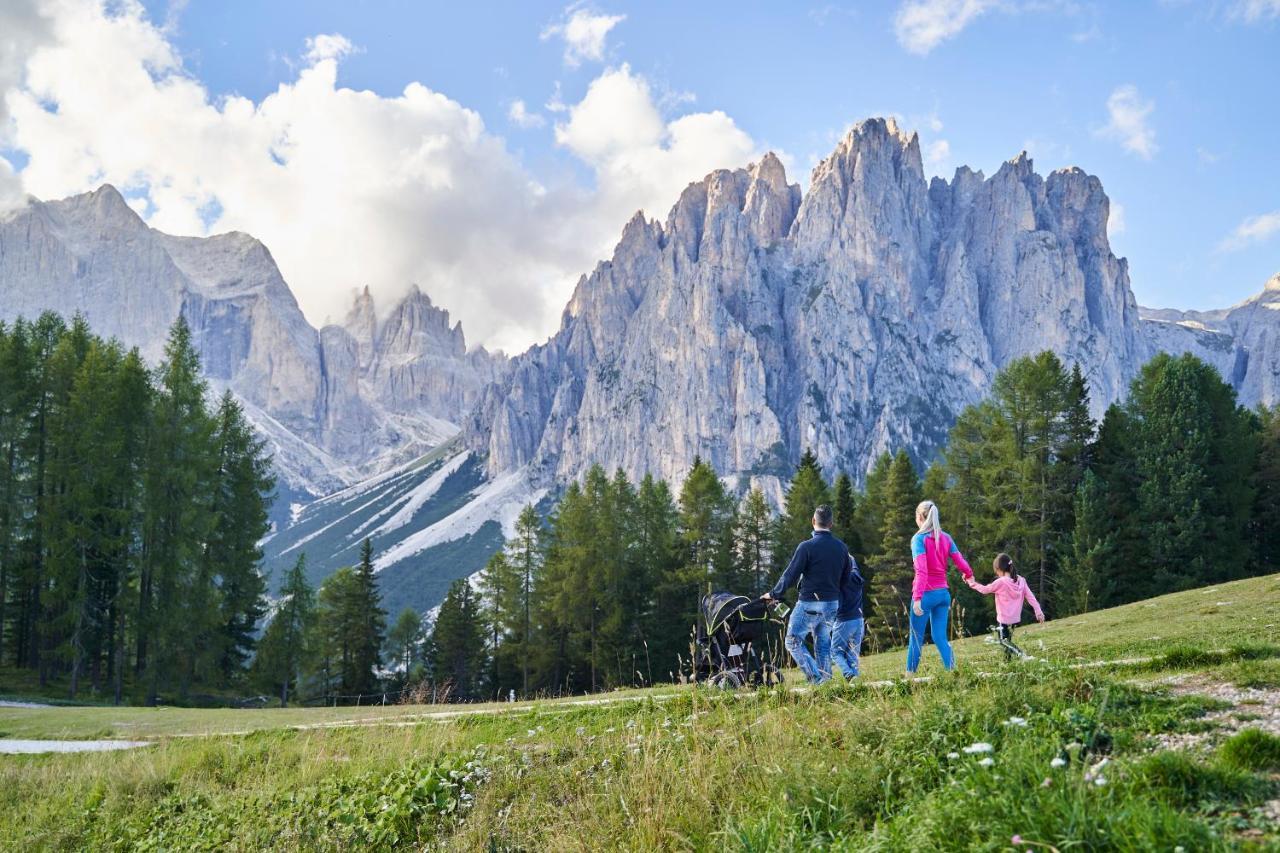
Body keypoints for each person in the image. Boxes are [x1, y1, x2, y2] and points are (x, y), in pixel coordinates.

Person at [762, 504, 849, 684]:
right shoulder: (842, 548)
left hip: (810, 602)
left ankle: (817, 679)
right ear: (831, 523)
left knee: (792, 641)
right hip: (832, 603)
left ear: (813, 521)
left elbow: (791, 574)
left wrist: (773, 594)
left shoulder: (806, 547)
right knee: (823, 642)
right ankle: (826, 682)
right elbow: (846, 578)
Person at [906, 499, 974, 674]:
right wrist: (968, 574)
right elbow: (960, 561)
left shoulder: (918, 539)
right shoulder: (946, 538)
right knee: (940, 637)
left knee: (916, 638)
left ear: (920, 517)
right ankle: (952, 671)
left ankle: (909, 677)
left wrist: (918, 598)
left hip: (926, 595)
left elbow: (922, 571)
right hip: (943, 595)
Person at [965, 553, 1044, 661]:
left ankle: (1021, 654)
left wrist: (971, 582)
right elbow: (1030, 597)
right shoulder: (1021, 580)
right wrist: (1038, 611)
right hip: (1015, 618)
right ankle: (1007, 661)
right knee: (1007, 640)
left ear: (999, 569)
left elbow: (984, 590)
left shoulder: (1001, 582)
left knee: (1003, 641)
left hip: (1004, 619)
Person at [832, 554, 865, 678]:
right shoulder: (856, 577)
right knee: (853, 653)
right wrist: (849, 557)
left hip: (844, 620)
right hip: (859, 620)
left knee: (835, 652)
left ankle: (848, 674)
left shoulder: (838, 582)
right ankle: (855, 679)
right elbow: (854, 566)